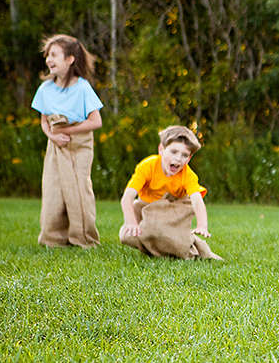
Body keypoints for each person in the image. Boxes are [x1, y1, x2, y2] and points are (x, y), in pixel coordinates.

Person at [31, 34, 104, 247]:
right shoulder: (45, 89)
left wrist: (70, 131)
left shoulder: (82, 88)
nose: (48, 60)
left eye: (54, 55)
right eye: (47, 55)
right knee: (54, 190)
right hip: (56, 145)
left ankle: (83, 237)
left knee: (78, 191)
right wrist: (53, 135)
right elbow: (44, 121)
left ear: (70, 59)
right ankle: (53, 238)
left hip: (79, 146)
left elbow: (96, 121)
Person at [119, 125, 210, 240]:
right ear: (161, 149)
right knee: (127, 236)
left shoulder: (188, 175)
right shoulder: (148, 166)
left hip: (174, 207)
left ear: (189, 158)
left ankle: (189, 243)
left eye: (184, 155)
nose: (178, 159)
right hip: (148, 205)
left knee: (168, 237)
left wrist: (202, 226)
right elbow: (127, 197)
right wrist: (131, 222)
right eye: (174, 152)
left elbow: (197, 200)